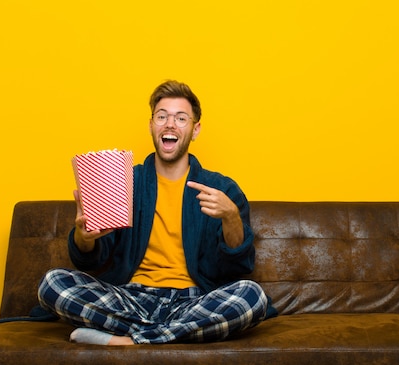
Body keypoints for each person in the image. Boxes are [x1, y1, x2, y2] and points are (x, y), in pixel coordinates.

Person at [38, 80, 274, 345]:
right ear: (151, 125)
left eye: (181, 118)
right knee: (53, 283)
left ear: (195, 130)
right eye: (162, 116)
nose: (170, 124)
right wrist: (85, 238)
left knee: (251, 297)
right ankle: (166, 335)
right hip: (128, 299)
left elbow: (239, 267)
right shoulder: (124, 180)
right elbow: (90, 261)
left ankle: (127, 340)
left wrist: (231, 216)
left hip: (193, 301)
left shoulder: (222, 189)